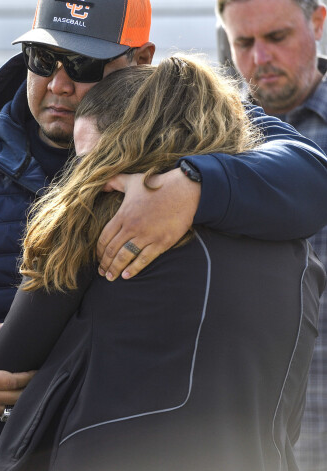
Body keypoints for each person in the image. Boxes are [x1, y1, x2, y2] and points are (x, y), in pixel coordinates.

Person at [0, 0, 327, 469]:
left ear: (140, 58)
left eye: (84, 63)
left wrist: (193, 186)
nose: (58, 83)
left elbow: (313, 175)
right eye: (42, 58)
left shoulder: (208, 130)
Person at [0, 55, 326, 471]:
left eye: (91, 159)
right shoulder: (295, 250)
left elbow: (11, 357)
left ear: (129, 145)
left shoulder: (99, 215)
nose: (81, 175)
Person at [218, 1, 327, 468]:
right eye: (243, 42)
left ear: (318, 21)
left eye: (277, 37)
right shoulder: (206, 139)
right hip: (236, 439)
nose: (260, 58)